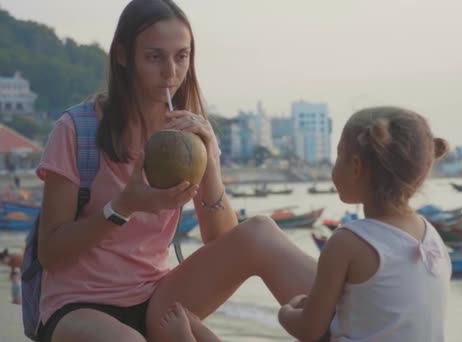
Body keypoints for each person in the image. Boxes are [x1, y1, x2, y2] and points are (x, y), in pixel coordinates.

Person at [34, 1, 315, 341]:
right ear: (123, 56)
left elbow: (222, 241)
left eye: (181, 56)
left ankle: (354, 321)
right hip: (79, 304)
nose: (171, 72)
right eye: (155, 57)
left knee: (259, 231)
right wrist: (123, 206)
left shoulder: (189, 133)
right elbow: (50, 252)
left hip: (156, 296)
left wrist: (209, 160)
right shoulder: (77, 130)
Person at [278, 106, 452, 341]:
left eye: (339, 155)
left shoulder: (347, 242)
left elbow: (308, 331)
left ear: (356, 167)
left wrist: (285, 312)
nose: (335, 164)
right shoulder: (432, 237)